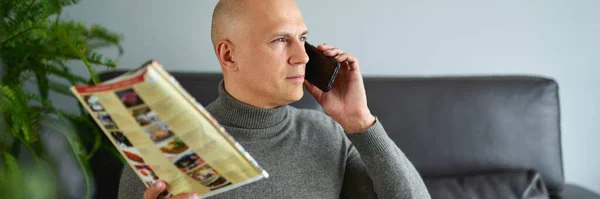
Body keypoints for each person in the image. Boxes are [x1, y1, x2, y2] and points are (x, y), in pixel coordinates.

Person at [119, 0, 431, 198]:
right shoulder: (162, 148)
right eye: (281, 40)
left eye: (303, 39)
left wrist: (360, 122)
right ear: (229, 55)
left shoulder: (326, 134)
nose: (302, 57)